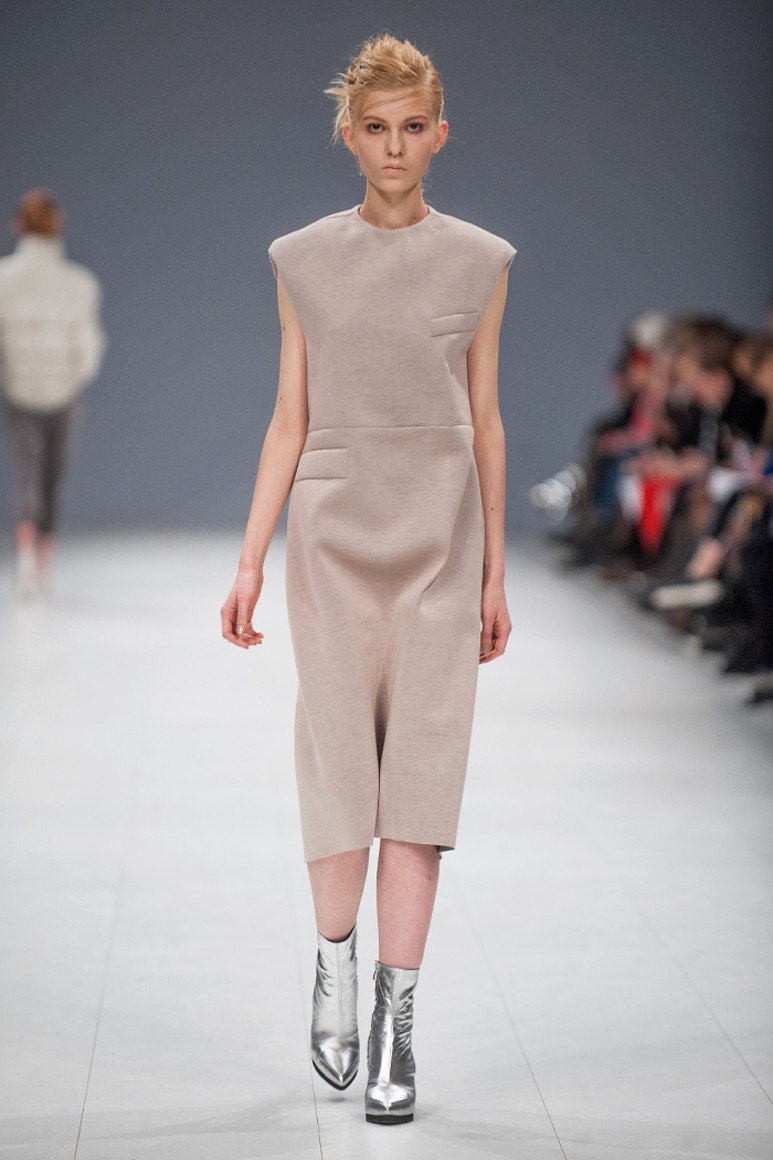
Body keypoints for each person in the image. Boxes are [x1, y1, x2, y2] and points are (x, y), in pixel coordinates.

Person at [220, 33, 517, 1125]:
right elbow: (288, 414)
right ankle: (333, 962)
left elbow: (484, 417)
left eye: (412, 127)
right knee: (342, 772)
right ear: (348, 136)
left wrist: (493, 571)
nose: (394, 146)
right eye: (375, 128)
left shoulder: (481, 259)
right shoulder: (300, 258)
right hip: (333, 540)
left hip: (441, 539)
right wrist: (250, 556)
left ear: (439, 134)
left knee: (421, 789)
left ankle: (397, 1022)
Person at [0, 188, 106, 595]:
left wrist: (12, 378)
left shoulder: (4, 280)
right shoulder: (80, 283)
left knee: (26, 474)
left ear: (18, 225)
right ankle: (41, 566)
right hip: (64, 394)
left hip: (20, 393)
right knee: (52, 478)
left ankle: (27, 560)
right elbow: (88, 343)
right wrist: (73, 379)